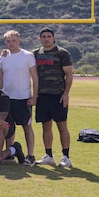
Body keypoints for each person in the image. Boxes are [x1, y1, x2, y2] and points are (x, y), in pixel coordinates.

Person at [33, 27, 74, 167]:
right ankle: (48, 155)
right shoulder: (36, 53)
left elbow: (69, 74)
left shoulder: (62, 53)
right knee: (46, 127)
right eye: (43, 36)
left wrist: (66, 93)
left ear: (54, 38)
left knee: (62, 126)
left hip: (58, 95)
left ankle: (66, 156)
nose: (46, 39)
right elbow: (21, 56)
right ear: (40, 39)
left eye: (48, 36)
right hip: (42, 96)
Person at [0, 29, 39, 166]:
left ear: (19, 41)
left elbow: (35, 77)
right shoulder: (3, 56)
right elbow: (0, 77)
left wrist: (34, 96)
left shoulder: (27, 56)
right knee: (8, 126)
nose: (11, 43)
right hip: (7, 97)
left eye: (14, 40)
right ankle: (10, 152)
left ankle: (30, 155)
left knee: (26, 126)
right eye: (8, 41)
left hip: (23, 97)